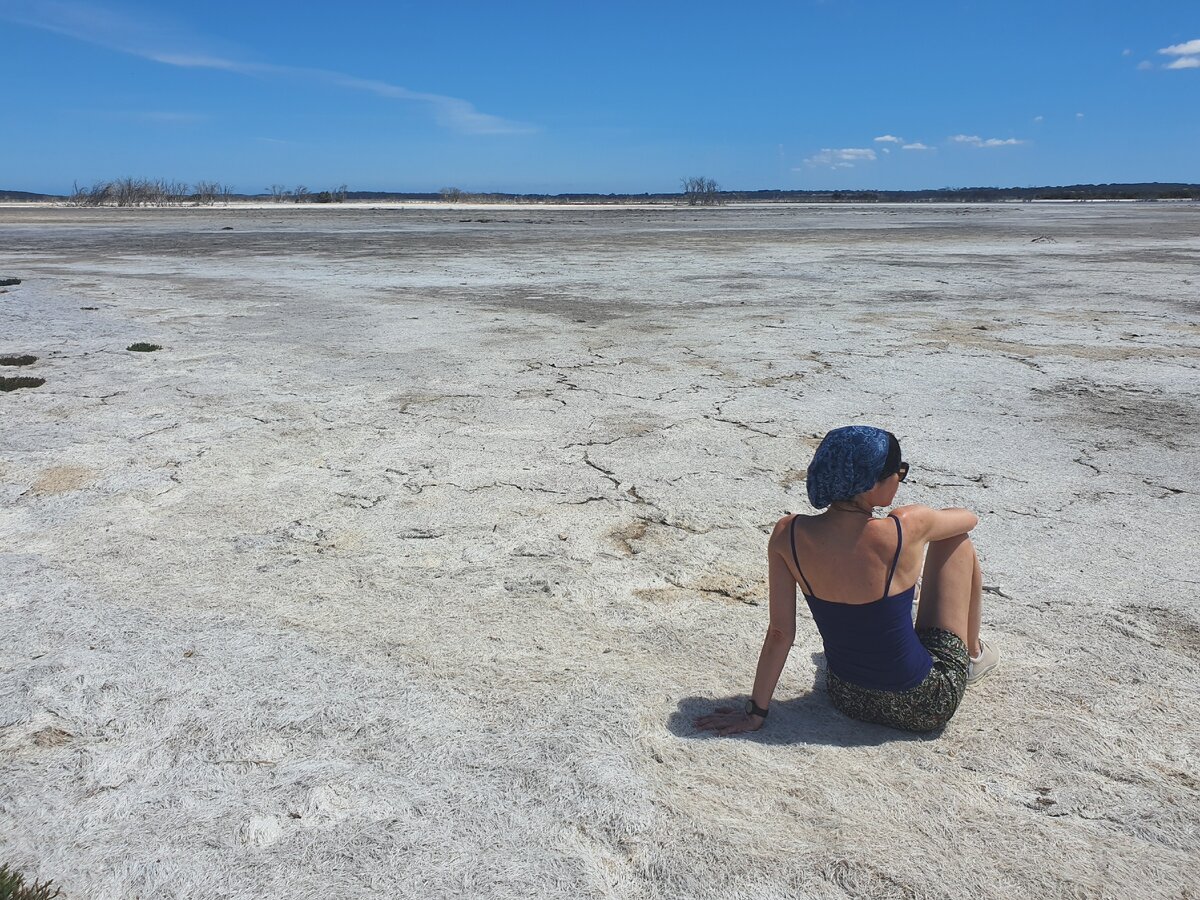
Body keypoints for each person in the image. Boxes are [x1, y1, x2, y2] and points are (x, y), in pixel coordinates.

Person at [696, 425, 999, 735]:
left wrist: (755, 713)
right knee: (955, 539)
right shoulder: (905, 526)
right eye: (898, 472)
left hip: (848, 696)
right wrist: (925, 520)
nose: (900, 478)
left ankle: (911, 605)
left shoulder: (787, 534)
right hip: (924, 703)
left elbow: (779, 632)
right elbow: (968, 518)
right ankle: (973, 655)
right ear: (870, 484)